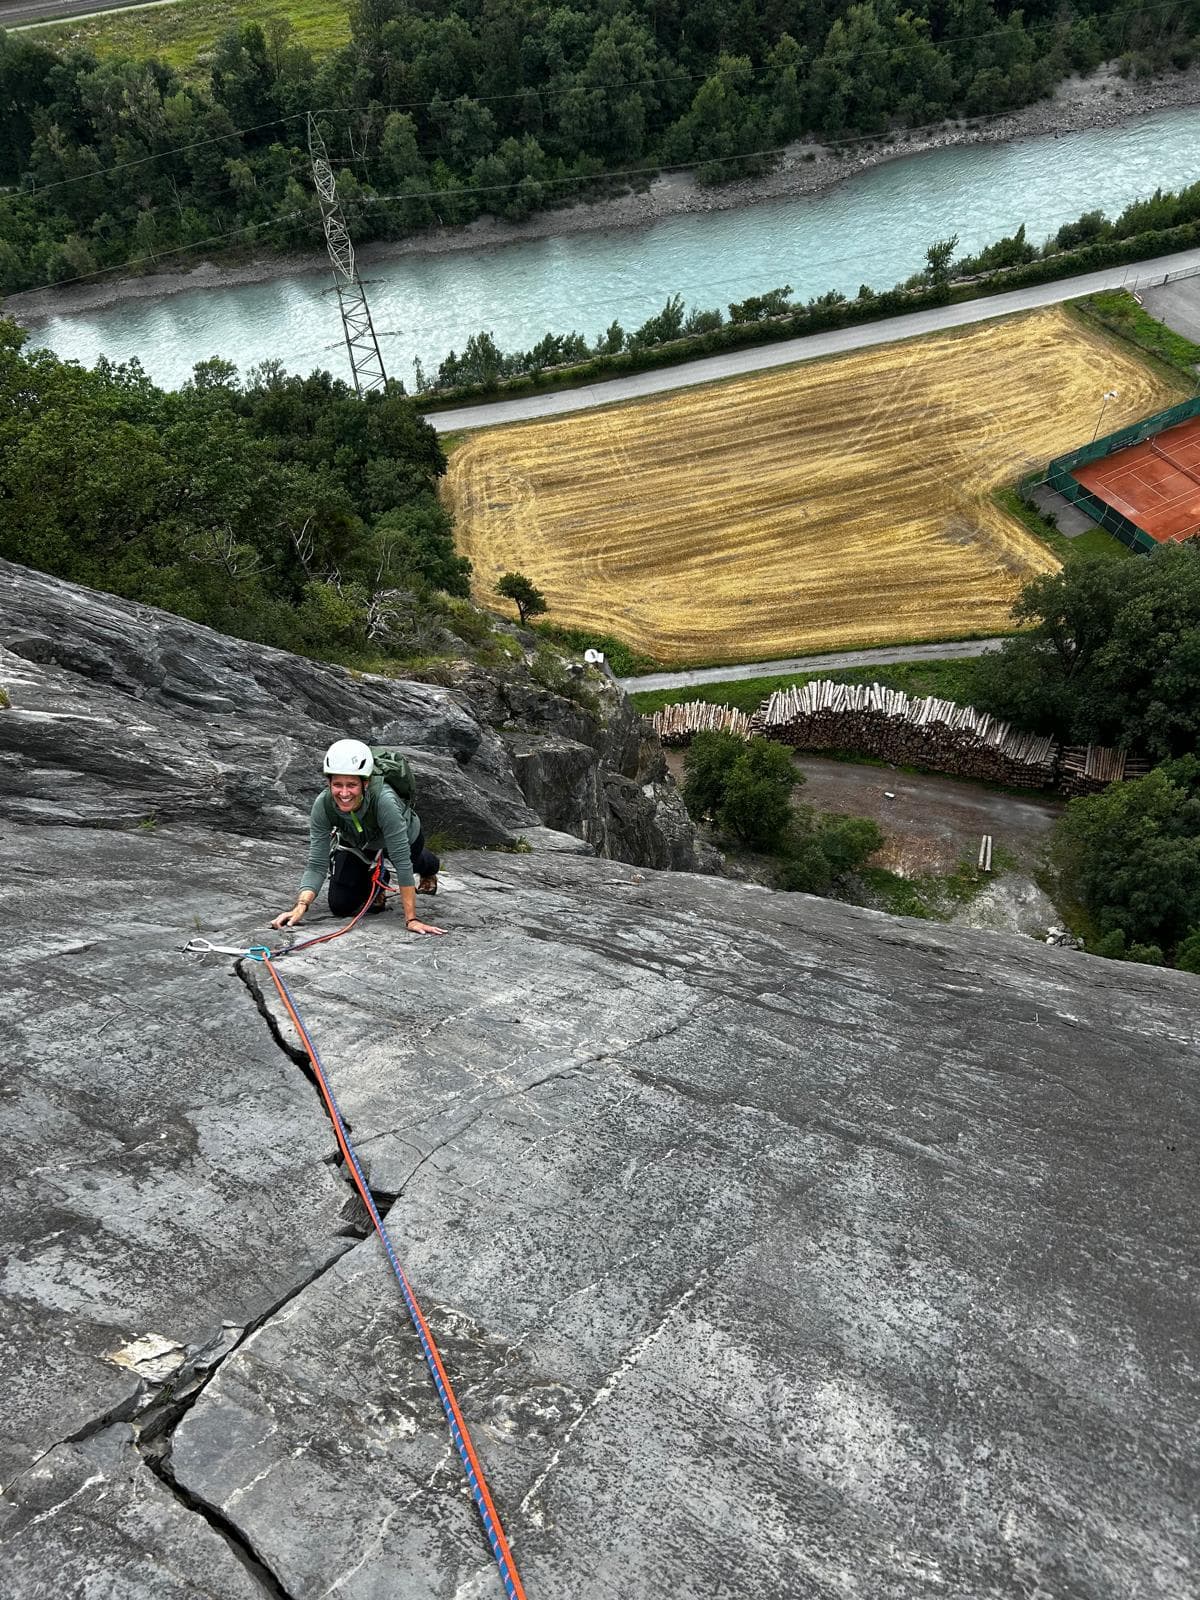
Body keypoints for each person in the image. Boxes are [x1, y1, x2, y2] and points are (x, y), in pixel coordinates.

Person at [272, 739, 446, 935]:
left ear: (365, 783)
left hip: (400, 837)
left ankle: (430, 867)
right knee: (341, 905)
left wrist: (411, 919)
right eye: (337, 784)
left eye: (351, 785)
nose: (344, 793)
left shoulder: (384, 801)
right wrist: (300, 906)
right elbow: (316, 864)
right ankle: (378, 881)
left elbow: (402, 862)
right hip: (358, 842)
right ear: (328, 783)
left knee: (414, 861)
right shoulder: (323, 805)